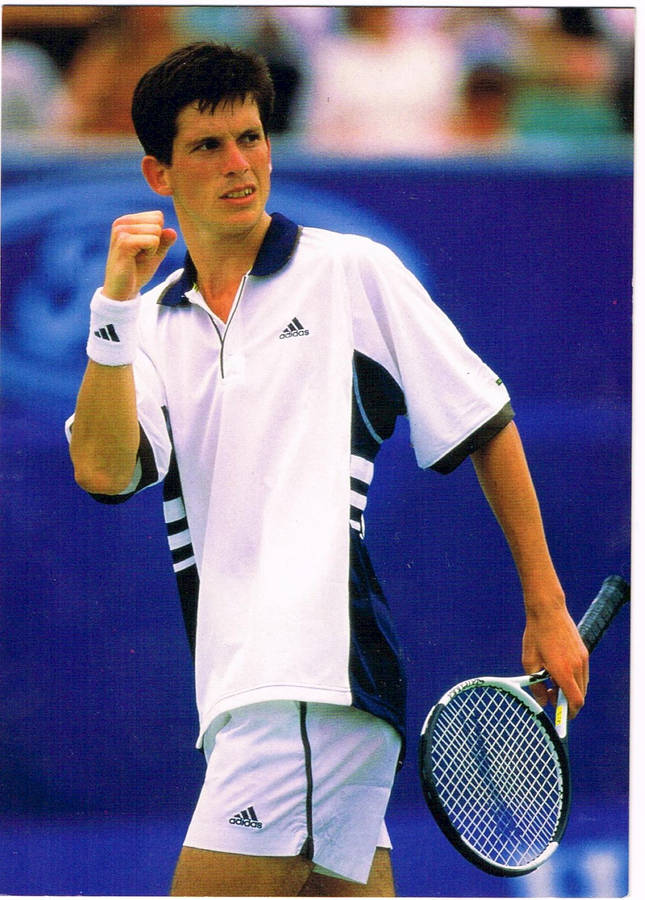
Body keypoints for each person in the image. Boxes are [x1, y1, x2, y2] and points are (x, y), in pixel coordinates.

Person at [66, 42, 589, 897]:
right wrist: (114, 308)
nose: (240, 165)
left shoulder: (351, 271)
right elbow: (100, 469)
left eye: (252, 137)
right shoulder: (149, 325)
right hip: (246, 692)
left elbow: (486, 422)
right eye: (208, 147)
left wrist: (547, 606)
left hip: (310, 679)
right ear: (157, 174)